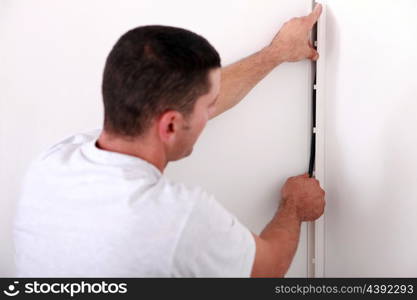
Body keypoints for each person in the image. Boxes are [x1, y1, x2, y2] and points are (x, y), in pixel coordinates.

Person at [14, 5, 325, 277]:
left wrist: (277, 52)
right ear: (171, 124)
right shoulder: (174, 218)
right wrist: (294, 206)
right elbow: (265, 272)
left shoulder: (53, 162)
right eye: (208, 107)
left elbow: (185, 97)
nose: (212, 112)